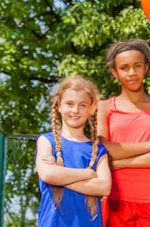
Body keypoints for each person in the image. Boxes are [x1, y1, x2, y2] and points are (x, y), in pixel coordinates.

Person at [97, 39, 150, 227]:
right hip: (115, 198)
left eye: (137, 66)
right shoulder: (104, 107)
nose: (131, 73)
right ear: (115, 73)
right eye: (124, 68)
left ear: (146, 68)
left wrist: (119, 163)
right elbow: (103, 149)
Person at [36, 76, 111, 226]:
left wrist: (60, 173)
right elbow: (48, 174)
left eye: (82, 105)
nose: (75, 110)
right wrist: (88, 174)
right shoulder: (46, 141)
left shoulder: (98, 150)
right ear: (59, 106)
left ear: (92, 109)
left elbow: (104, 187)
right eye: (69, 104)